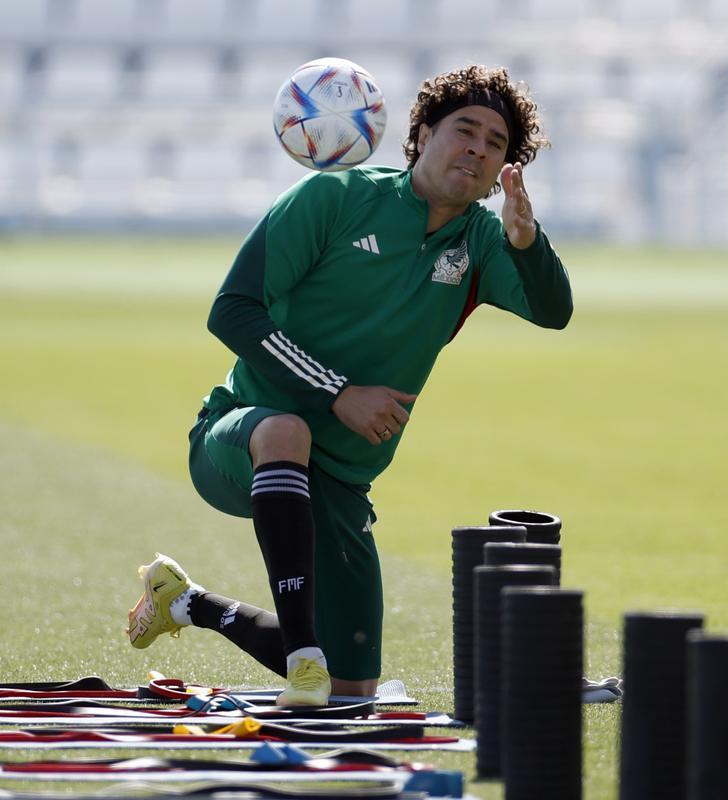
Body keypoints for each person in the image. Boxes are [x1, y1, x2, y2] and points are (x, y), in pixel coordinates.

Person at [125, 65, 572, 705]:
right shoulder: (333, 197)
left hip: (342, 479)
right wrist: (339, 392)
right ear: (419, 133)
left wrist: (527, 242)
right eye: (464, 129)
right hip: (242, 440)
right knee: (287, 429)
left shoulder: (480, 241)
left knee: (353, 692)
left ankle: (190, 603)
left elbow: (552, 310)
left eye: (495, 142)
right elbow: (232, 310)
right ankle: (305, 652)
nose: (477, 148)